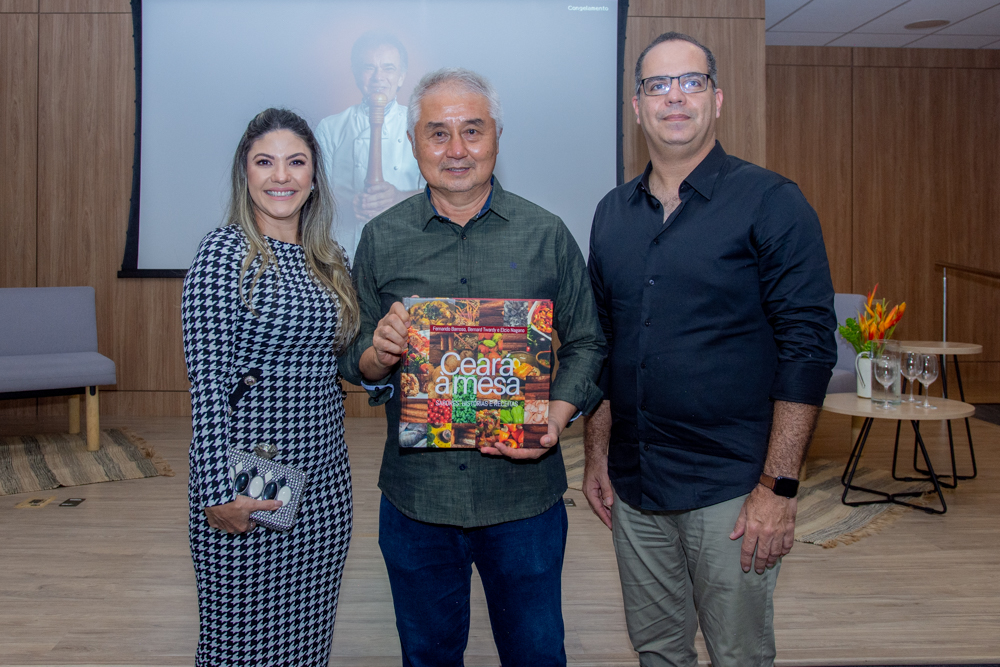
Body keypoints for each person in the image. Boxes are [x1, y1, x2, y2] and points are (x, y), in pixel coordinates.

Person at [584, 32, 837, 667]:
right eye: (657, 85)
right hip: (636, 484)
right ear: (637, 107)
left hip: (733, 489)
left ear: (716, 99)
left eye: (690, 82)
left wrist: (778, 486)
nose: (674, 97)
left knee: (738, 656)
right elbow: (603, 346)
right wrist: (596, 455)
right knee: (658, 652)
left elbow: (808, 350)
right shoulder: (611, 213)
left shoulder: (772, 202)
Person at [337, 68, 604, 667]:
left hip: (524, 500)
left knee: (536, 656)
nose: (456, 149)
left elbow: (587, 342)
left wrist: (555, 417)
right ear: (414, 143)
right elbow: (352, 356)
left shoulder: (546, 234)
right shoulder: (381, 238)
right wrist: (378, 353)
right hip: (418, 500)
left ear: (497, 137)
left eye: (472, 130)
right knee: (427, 657)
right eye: (438, 133)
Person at [182, 108, 360, 666]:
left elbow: (338, 363)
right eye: (265, 162)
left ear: (314, 177)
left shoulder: (330, 260)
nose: (281, 176)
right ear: (246, 172)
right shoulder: (224, 252)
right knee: (237, 644)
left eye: (296, 162)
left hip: (325, 485)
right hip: (250, 482)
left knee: (307, 641)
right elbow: (208, 386)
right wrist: (215, 491)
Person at [315, 31, 424, 261]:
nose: (378, 77)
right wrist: (350, 204)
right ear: (356, 74)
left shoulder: (421, 127)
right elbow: (315, 196)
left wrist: (398, 197)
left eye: (388, 68)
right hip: (344, 251)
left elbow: (440, 193)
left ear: (402, 77)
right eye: (369, 68)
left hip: (405, 250)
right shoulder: (330, 128)